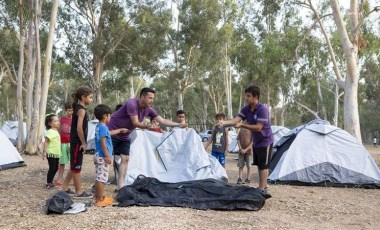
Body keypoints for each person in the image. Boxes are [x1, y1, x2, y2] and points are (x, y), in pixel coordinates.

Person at [108, 87, 187, 191]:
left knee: (125, 159)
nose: (152, 100)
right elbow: (135, 123)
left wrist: (178, 125)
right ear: (142, 97)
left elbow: (162, 120)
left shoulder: (149, 109)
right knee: (105, 159)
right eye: (150, 98)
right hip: (112, 132)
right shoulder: (132, 104)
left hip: (125, 135)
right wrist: (149, 126)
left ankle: (120, 185)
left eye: (152, 98)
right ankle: (98, 184)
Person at [219, 85, 273, 199]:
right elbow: (236, 119)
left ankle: (261, 190)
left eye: (248, 96)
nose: (246, 98)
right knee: (259, 165)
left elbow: (258, 127)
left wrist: (243, 124)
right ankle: (264, 187)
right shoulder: (246, 109)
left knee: (264, 166)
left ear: (256, 97)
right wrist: (224, 123)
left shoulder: (262, 110)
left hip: (266, 141)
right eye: (246, 96)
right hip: (257, 142)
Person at [61, 86, 94, 199]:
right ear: (83, 97)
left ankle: (65, 187)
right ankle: (79, 192)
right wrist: (83, 143)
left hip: (75, 141)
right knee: (76, 167)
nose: (91, 99)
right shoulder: (81, 110)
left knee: (74, 165)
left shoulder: (77, 107)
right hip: (77, 142)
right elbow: (79, 128)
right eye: (90, 97)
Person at [93, 104, 128, 207]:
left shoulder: (99, 126)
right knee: (102, 178)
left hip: (98, 155)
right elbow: (103, 142)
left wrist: (120, 130)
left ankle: (98, 196)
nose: (110, 117)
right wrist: (108, 156)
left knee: (99, 176)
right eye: (109, 115)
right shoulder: (103, 127)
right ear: (105, 116)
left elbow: (110, 133)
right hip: (103, 156)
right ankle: (100, 199)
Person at [55, 102, 73, 186]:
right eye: (69, 111)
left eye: (72, 110)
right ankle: (59, 179)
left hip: (71, 143)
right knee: (62, 162)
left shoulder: (75, 120)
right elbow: (59, 130)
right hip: (62, 143)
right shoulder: (62, 119)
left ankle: (72, 180)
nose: (71, 112)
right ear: (66, 110)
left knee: (73, 162)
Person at [42, 114, 61, 189]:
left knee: (56, 168)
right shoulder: (50, 132)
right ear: (50, 123)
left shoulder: (56, 131)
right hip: (51, 153)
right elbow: (46, 142)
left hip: (56, 153)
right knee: (52, 168)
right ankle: (48, 183)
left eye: (58, 120)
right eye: (55, 121)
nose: (57, 122)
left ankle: (51, 181)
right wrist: (44, 152)